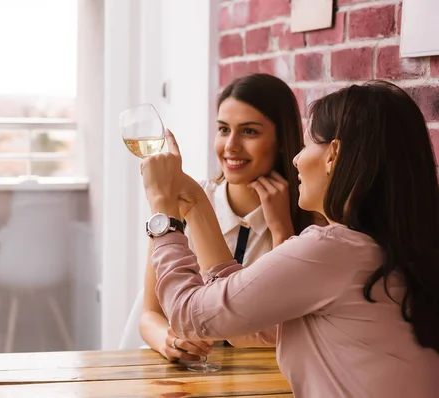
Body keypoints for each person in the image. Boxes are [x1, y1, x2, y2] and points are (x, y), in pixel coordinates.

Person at [141, 81, 439, 397]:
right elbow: (246, 319)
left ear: (332, 155)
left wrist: (162, 210)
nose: (297, 159)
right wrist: (198, 204)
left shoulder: (331, 250)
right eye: (223, 129)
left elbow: (192, 315)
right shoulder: (389, 247)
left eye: (308, 144)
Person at [139, 73, 315, 362]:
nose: (230, 145)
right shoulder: (186, 200)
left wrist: (282, 230)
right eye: (223, 129)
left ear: (282, 141)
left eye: (249, 132)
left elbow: (294, 325)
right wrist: (168, 340)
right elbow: (150, 314)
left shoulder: (308, 214)